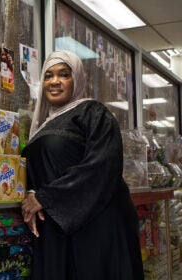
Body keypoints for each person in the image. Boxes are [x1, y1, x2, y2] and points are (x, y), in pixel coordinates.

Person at [21, 50, 144, 279]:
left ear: (76, 79)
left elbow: (102, 166)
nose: (54, 82)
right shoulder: (41, 125)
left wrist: (44, 198)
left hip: (96, 227)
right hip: (55, 226)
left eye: (63, 75)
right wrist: (31, 192)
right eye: (48, 76)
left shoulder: (93, 113)